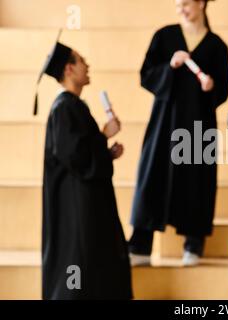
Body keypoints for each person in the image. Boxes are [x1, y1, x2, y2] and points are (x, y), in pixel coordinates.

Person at [129, 0, 228, 266]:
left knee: (197, 178)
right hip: (165, 122)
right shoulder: (165, 36)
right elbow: (146, 75)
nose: (181, 9)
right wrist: (170, 66)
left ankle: (193, 244)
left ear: (200, 3)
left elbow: (224, 86)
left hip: (198, 124)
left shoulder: (217, 45)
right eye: (177, 4)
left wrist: (212, 86)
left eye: (186, 3)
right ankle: (140, 245)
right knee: (154, 175)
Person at [40, 41, 132, 299]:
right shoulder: (64, 107)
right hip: (76, 208)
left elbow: (83, 153)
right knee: (80, 264)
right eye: (81, 61)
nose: (87, 65)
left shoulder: (74, 106)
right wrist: (103, 134)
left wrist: (106, 152)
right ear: (69, 69)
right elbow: (74, 154)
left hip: (87, 203)